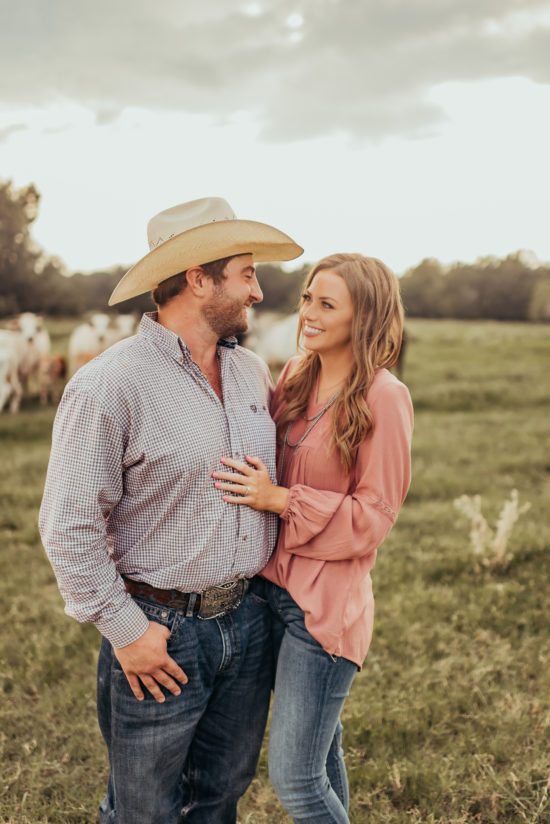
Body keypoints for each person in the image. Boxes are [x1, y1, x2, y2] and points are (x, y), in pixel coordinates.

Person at [38, 197, 303, 824]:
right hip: (161, 631)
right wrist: (128, 633)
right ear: (198, 279)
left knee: (219, 799)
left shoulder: (249, 371)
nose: (258, 293)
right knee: (143, 812)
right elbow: (68, 525)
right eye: (245, 274)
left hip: (248, 620)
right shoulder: (110, 384)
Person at [212, 253, 414, 823]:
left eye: (327, 305)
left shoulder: (384, 396)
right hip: (267, 592)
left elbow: (375, 515)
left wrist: (281, 501)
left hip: (323, 607)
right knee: (322, 755)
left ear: (365, 317)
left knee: (295, 778)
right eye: (307, 298)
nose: (309, 313)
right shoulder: (297, 375)